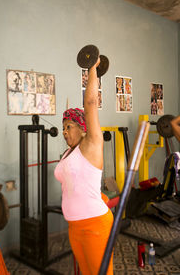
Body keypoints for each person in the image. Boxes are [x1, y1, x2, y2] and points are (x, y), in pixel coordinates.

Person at [54, 57, 114, 275]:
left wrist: (92, 70)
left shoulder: (91, 144)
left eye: (68, 126)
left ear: (83, 127)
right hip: (75, 227)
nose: (64, 132)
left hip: (94, 225)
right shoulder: (68, 154)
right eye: (63, 128)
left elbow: (90, 103)